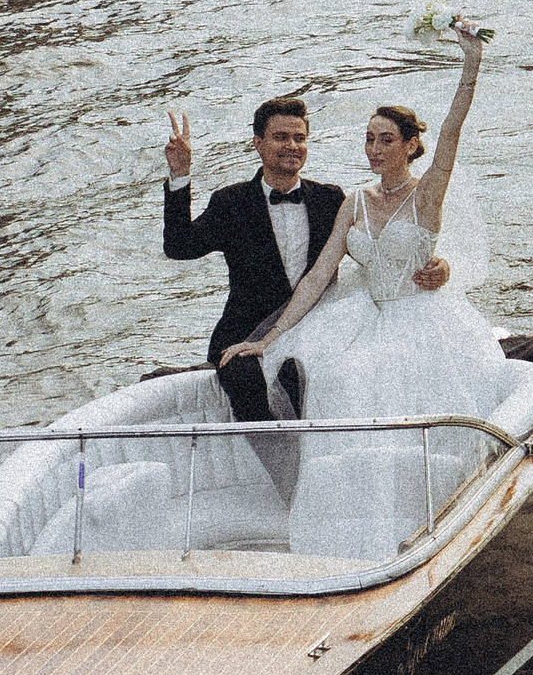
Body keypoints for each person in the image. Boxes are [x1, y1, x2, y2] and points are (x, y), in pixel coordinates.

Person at [219, 24, 511, 429]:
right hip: (368, 319)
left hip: (424, 321)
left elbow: (451, 131)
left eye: (386, 140)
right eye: (369, 139)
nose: (374, 149)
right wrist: (268, 339)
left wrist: (471, 62)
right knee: (340, 378)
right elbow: (317, 276)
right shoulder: (354, 202)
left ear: (410, 145)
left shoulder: (426, 196)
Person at [163, 93, 450, 422]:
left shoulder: (330, 200)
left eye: (299, 138)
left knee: (344, 378)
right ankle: (277, 456)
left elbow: (382, 251)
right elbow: (179, 246)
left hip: (320, 329)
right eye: (281, 137)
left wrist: (438, 266)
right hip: (247, 332)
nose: (292, 146)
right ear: (258, 144)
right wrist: (180, 175)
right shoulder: (231, 202)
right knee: (247, 379)